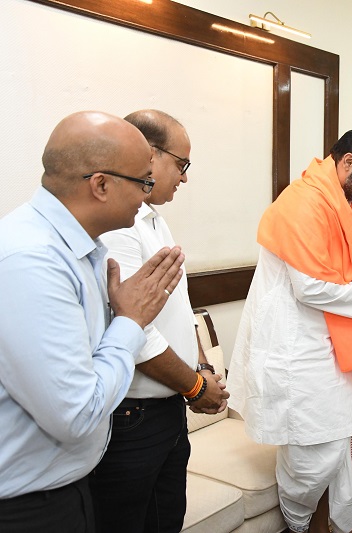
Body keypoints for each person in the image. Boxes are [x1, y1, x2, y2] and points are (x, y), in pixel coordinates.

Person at [226, 129, 352, 533]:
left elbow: (346, 278)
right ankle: (302, 526)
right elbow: (310, 288)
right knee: (312, 453)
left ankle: (338, 525)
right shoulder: (303, 203)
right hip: (296, 349)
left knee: (349, 436)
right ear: (348, 161)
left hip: (330, 343)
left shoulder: (343, 205)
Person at [0, 111, 185, 532]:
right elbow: (76, 413)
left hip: (66, 487)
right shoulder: (32, 260)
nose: (147, 195)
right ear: (100, 185)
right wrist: (131, 321)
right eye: (143, 182)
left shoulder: (80, 248)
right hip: (28, 508)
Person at [89, 110, 229, 532]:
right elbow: (135, 330)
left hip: (167, 409)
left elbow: (179, 309)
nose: (184, 177)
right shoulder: (118, 227)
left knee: (166, 520)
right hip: (135, 416)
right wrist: (196, 386)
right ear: (149, 155)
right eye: (181, 163)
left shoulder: (153, 219)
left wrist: (201, 367)